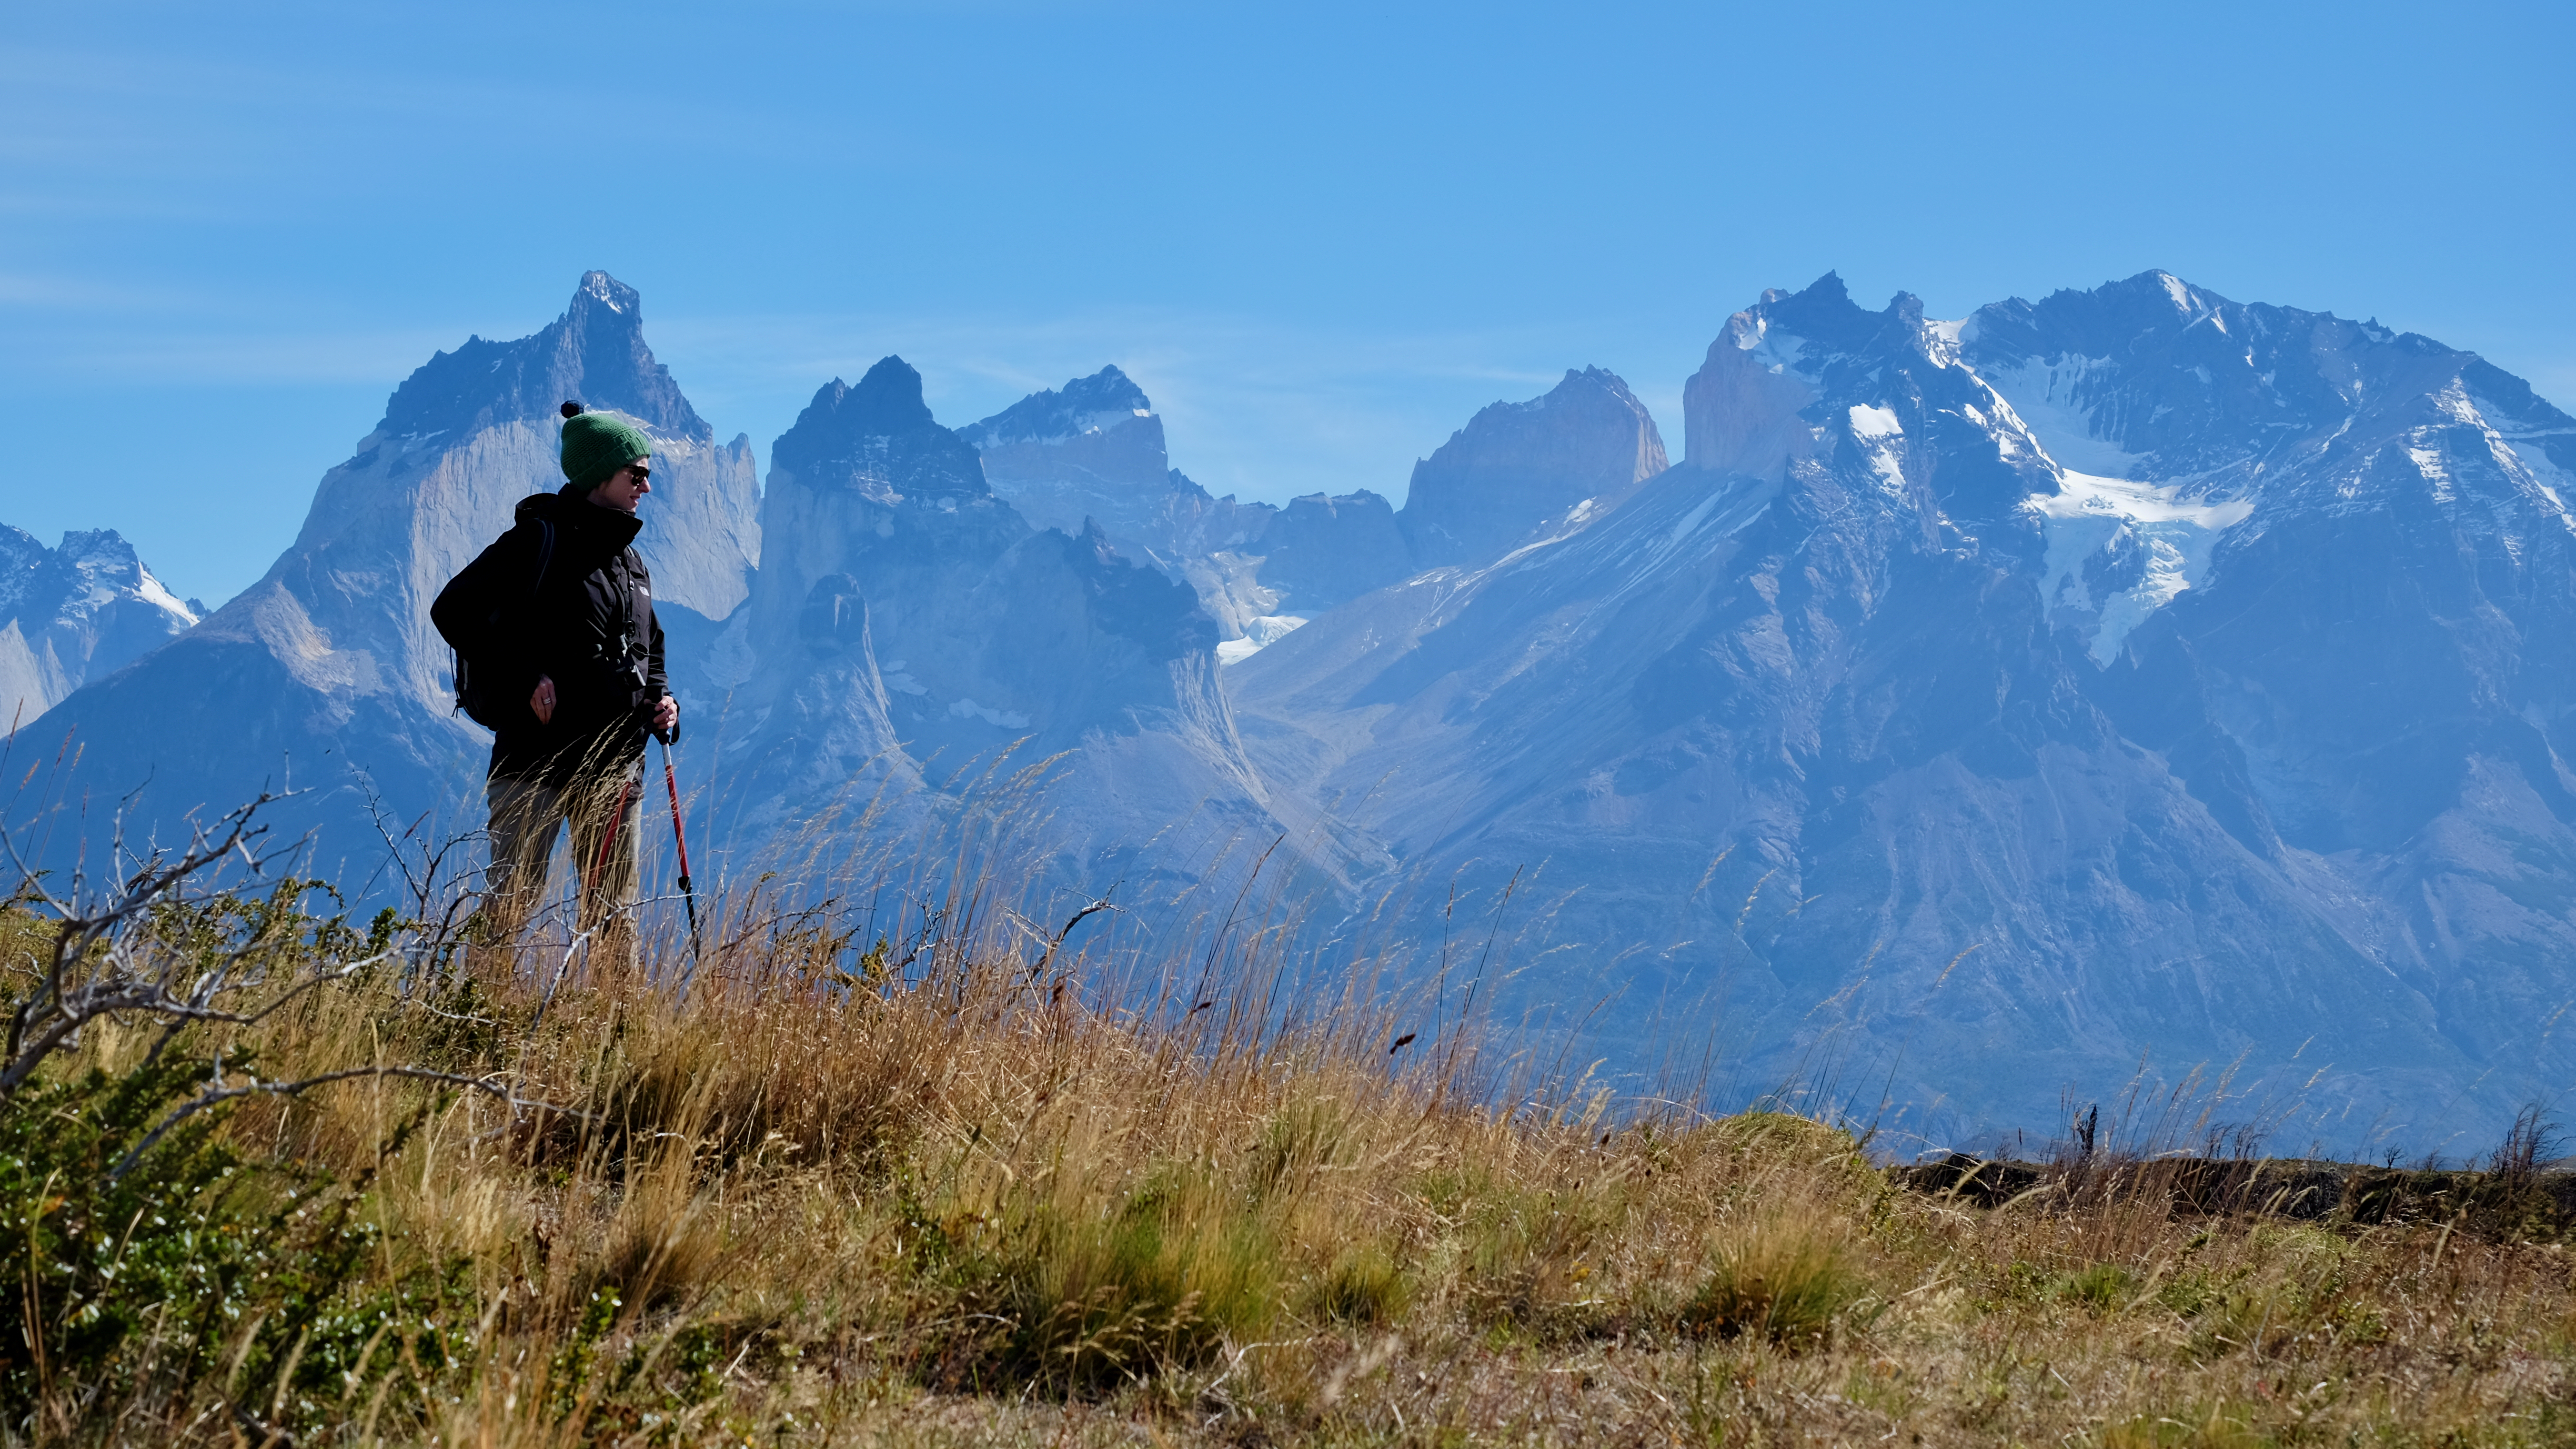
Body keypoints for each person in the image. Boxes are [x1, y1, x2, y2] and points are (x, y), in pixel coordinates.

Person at [434, 401, 678, 966]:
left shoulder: (632, 563)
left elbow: (651, 649)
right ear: (599, 476)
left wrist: (662, 700)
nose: (646, 486)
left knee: (614, 918)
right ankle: (476, 1025)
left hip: (616, 767)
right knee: (510, 907)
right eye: (636, 474)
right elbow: (453, 609)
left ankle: (618, 1036)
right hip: (533, 765)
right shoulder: (536, 543)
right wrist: (523, 674)